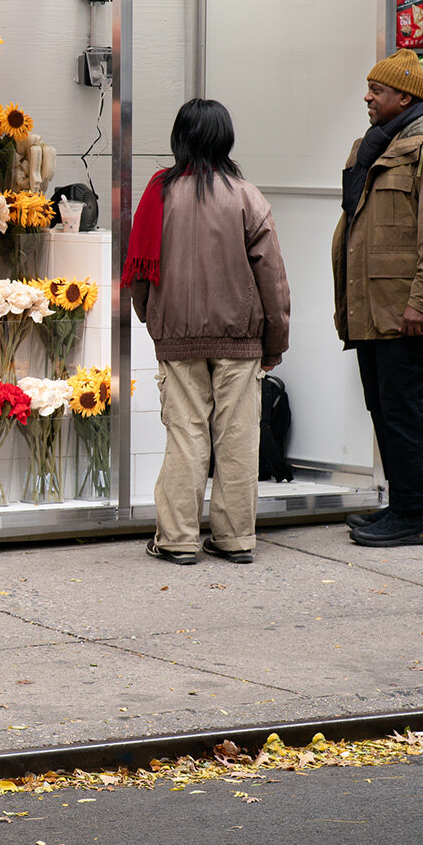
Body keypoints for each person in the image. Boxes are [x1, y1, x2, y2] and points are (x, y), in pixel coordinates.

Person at [124, 98, 290, 566]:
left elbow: (138, 272)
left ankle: (177, 539)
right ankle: (235, 539)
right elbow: (273, 279)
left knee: (186, 436)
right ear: (226, 139)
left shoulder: (158, 195)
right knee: (238, 439)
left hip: (177, 337)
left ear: (180, 138)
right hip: (240, 339)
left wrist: (151, 317)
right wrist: (275, 341)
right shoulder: (247, 197)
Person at [331, 48, 423, 548]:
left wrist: (421, 304)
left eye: (378, 90)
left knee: (407, 410)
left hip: (407, 311)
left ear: (405, 97)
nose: (368, 97)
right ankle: (401, 502)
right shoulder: (371, 146)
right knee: (383, 408)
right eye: (369, 89)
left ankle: (413, 514)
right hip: (371, 308)